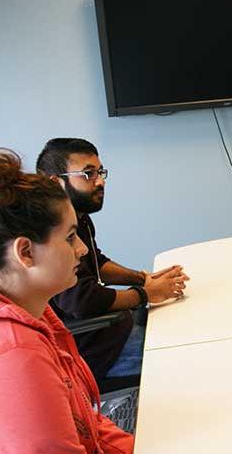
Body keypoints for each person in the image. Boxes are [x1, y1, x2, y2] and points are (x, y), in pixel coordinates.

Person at [0, 150, 133, 453]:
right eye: (70, 237)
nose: (83, 249)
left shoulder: (38, 314)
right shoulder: (18, 353)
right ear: (26, 253)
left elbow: (89, 423)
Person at [36, 138, 188, 382]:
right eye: (88, 174)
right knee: (184, 354)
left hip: (114, 330)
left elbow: (97, 262)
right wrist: (144, 294)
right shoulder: (48, 235)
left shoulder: (79, 218)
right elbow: (81, 300)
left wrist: (144, 278)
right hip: (96, 352)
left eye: (100, 172)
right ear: (56, 183)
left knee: (183, 327)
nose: (100, 181)